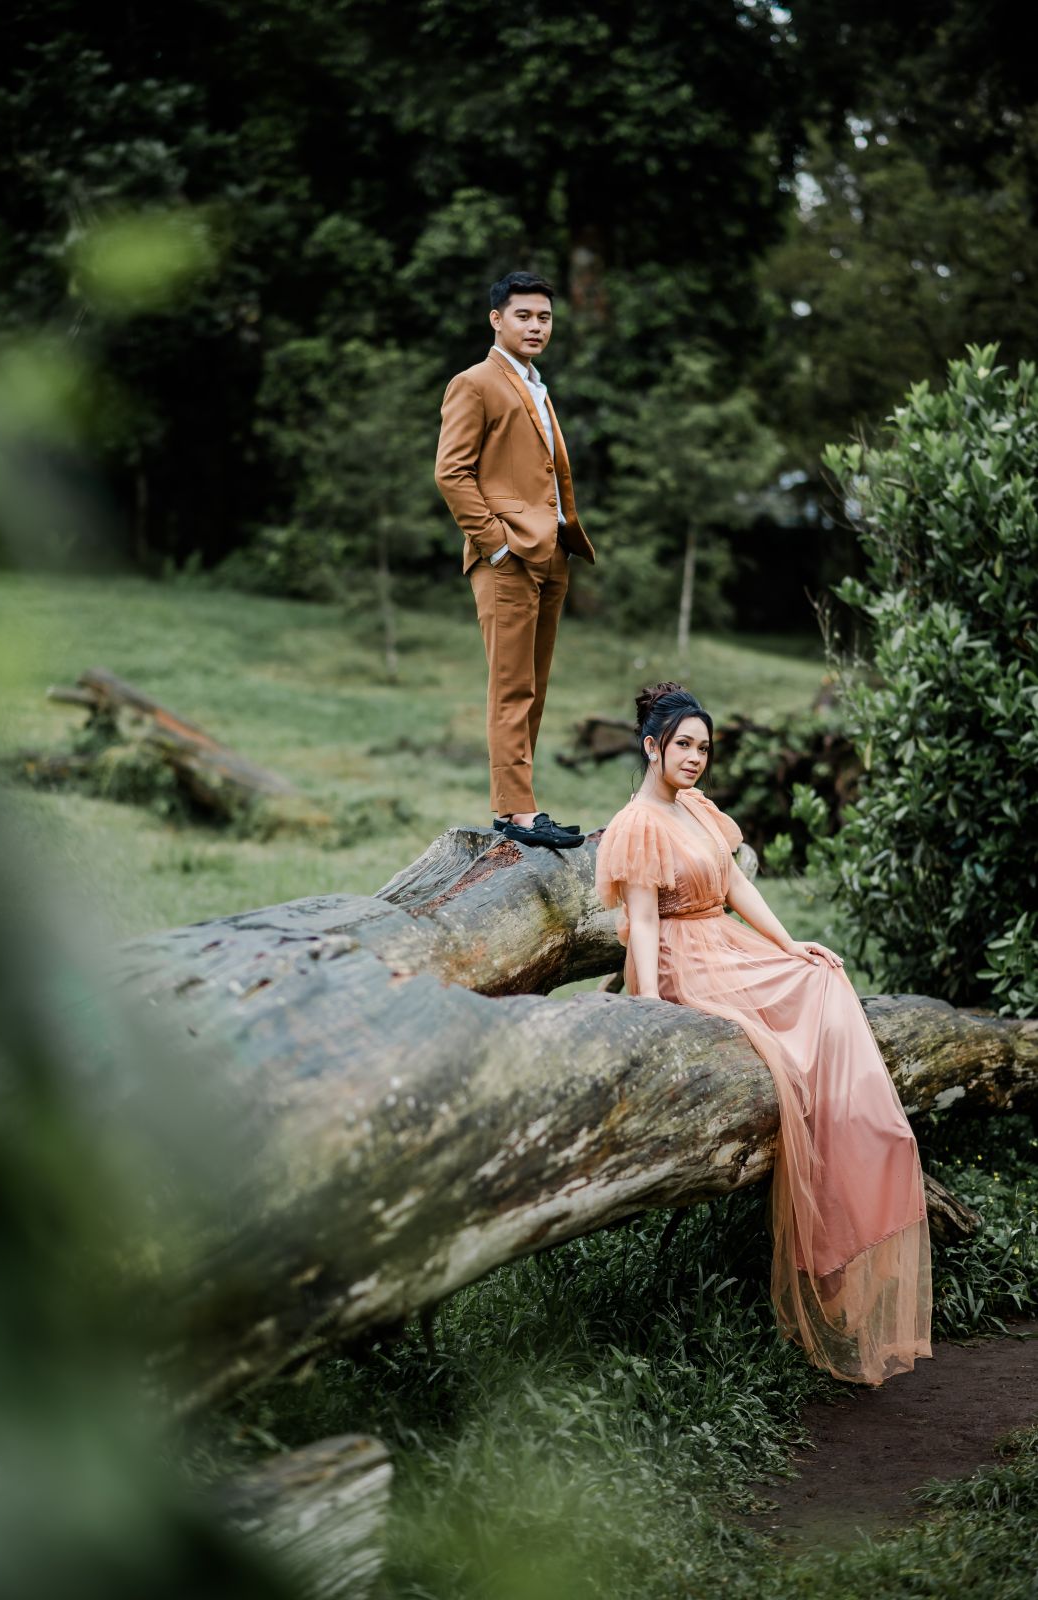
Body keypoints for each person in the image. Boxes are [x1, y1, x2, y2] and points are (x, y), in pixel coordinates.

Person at [595, 682, 932, 1385]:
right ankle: (828, 1227)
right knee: (791, 1044)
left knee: (822, 977)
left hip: (725, 942)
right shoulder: (637, 824)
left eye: (704, 747)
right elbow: (645, 925)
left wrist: (788, 942)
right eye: (683, 745)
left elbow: (736, 888)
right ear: (652, 746)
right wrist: (651, 1008)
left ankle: (854, 1163)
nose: (696, 758)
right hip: (685, 961)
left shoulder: (696, 807)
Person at [435, 271, 596, 849]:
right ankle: (518, 814)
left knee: (535, 686)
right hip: (507, 559)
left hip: (551, 553)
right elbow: (451, 473)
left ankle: (519, 807)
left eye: (544, 317)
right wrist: (496, 544)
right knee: (512, 688)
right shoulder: (474, 383)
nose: (535, 326)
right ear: (496, 319)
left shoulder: (536, 386)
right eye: (523, 315)